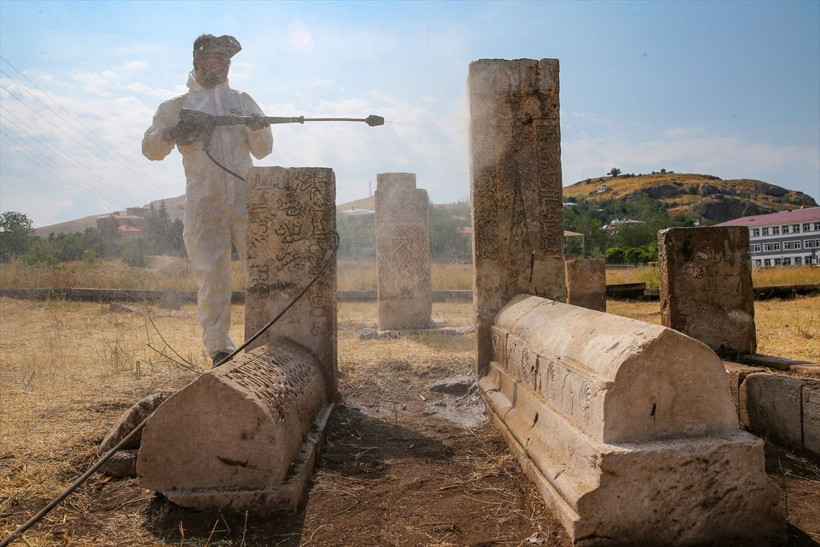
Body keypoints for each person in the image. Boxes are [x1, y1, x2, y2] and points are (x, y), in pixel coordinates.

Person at [142, 34, 273, 366]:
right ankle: (220, 351)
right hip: (204, 202)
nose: (222, 65)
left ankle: (272, 340)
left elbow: (264, 149)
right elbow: (150, 149)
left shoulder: (242, 101)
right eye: (215, 58)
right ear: (198, 60)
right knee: (213, 276)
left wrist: (257, 128)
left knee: (263, 272)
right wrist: (171, 133)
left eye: (226, 60)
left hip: (246, 199)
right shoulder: (176, 107)